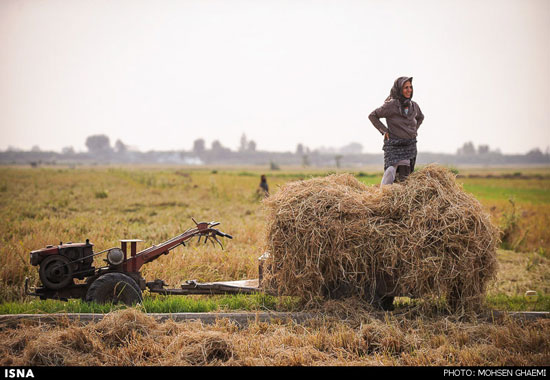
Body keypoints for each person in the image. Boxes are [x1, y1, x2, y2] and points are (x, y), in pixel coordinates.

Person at [369, 76, 424, 185]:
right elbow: (373, 115)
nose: (409, 90)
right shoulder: (391, 105)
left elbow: (421, 117)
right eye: (405, 87)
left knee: (404, 179)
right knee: (390, 171)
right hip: (394, 145)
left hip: (409, 146)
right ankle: (383, 195)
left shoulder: (414, 106)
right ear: (399, 89)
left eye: (410, 87)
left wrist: (414, 130)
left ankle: (399, 200)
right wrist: (384, 131)